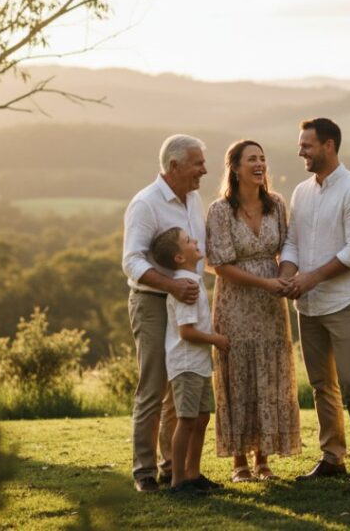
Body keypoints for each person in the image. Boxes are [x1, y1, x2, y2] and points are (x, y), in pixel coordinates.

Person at [280, 117, 350, 482]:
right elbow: (292, 241)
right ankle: (333, 457)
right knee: (323, 384)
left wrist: (311, 277)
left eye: (306, 145)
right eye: (300, 144)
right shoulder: (301, 192)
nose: (300, 151)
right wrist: (287, 275)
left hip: (344, 302)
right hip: (308, 305)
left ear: (329, 146)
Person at [206, 140, 301, 482]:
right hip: (235, 302)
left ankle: (263, 459)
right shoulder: (220, 210)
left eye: (262, 158)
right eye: (252, 159)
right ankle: (239, 462)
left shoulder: (276, 204)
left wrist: (285, 278)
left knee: (269, 373)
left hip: (272, 305)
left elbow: (289, 246)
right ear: (234, 168)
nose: (260, 164)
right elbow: (220, 264)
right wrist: (266, 284)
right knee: (239, 373)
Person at [121, 134, 207, 493]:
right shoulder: (146, 203)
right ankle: (144, 471)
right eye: (197, 163)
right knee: (154, 385)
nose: (204, 170)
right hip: (153, 303)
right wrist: (172, 286)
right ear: (174, 166)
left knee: (180, 383)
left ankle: (176, 468)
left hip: (185, 304)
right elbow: (131, 261)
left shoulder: (195, 198)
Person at [151, 227, 229, 495]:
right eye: (187, 241)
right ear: (178, 258)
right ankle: (178, 480)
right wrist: (215, 339)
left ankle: (193, 474)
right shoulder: (186, 285)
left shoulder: (192, 278)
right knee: (185, 420)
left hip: (198, 363)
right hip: (185, 364)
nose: (195, 241)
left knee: (202, 417)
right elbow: (186, 332)